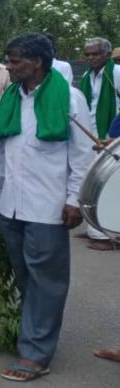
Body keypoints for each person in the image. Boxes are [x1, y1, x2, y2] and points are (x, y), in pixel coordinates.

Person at [0, 33, 91, 382]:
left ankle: (35, 354)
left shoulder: (69, 99)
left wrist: (75, 199)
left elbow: (82, 156)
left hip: (48, 206)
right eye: (9, 59)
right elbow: (2, 152)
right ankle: (35, 332)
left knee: (47, 281)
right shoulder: (12, 97)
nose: (9, 66)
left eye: (15, 60)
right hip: (11, 206)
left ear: (38, 63)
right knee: (26, 277)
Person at [79, 37, 120, 251]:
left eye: (96, 54)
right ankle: (94, 228)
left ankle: (108, 235)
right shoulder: (87, 76)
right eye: (88, 54)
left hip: (111, 136)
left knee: (110, 185)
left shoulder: (117, 73)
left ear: (107, 54)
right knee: (92, 183)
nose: (91, 58)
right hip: (91, 135)